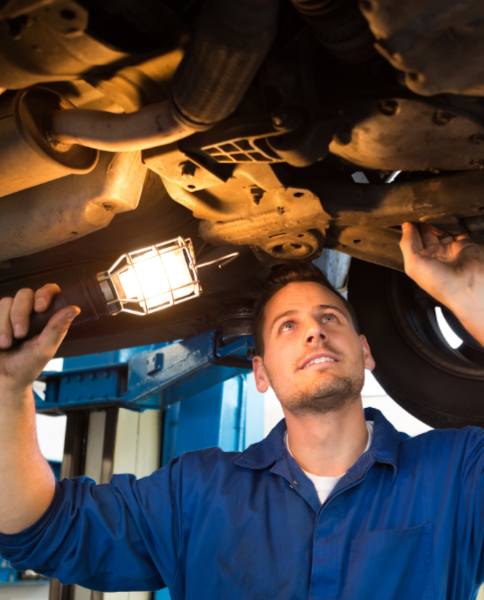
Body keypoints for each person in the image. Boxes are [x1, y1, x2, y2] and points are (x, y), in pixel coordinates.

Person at [0, 222, 483, 599]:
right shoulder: (196, 493)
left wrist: (469, 293)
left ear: (365, 351)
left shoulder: (457, 473)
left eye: (328, 317)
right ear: (261, 372)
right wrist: (9, 390)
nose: (314, 331)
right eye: (287, 327)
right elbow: (44, 530)